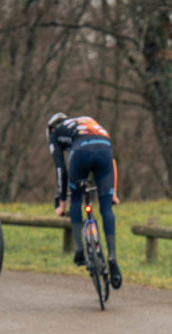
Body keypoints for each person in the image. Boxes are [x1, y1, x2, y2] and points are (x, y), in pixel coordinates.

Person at [47, 113, 122, 289]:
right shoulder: (89, 121)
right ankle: (112, 256)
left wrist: (62, 201)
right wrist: (114, 192)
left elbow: (61, 169)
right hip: (104, 148)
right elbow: (112, 162)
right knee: (106, 209)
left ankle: (79, 249)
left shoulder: (55, 132)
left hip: (81, 152)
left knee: (76, 200)